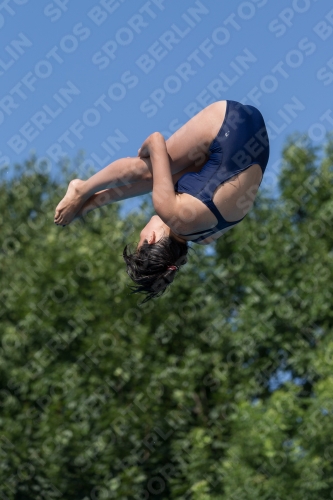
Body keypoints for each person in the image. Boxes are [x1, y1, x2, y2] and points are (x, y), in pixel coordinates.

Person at [54, 100, 270, 301]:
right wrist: (145, 149)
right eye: (140, 238)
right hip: (229, 121)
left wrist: (93, 204)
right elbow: (156, 139)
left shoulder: (206, 238)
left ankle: (90, 202)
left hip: (257, 134)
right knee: (146, 169)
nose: (141, 231)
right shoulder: (171, 211)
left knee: (163, 177)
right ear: (151, 238)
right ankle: (82, 188)